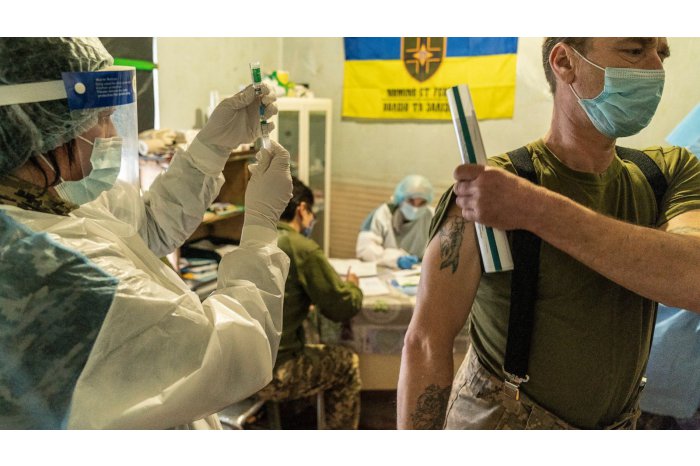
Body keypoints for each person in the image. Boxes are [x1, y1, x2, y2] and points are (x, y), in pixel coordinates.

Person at [397, 37, 700, 430]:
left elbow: (693, 277)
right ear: (565, 62)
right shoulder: (489, 192)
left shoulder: (666, 174)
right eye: (634, 51)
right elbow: (426, 341)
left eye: (662, 54)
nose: (656, 69)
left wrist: (534, 209)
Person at [0, 37, 293, 429]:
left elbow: (148, 227)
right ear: (39, 125)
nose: (111, 133)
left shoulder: (48, 197)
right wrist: (259, 228)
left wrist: (213, 145)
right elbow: (232, 353)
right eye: (101, 117)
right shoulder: (51, 268)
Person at [255, 176, 363, 429]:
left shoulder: (253, 240)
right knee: (347, 364)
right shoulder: (301, 248)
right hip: (275, 373)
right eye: (312, 212)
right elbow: (341, 307)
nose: (312, 219)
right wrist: (353, 287)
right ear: (302, 209)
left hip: (238, 369)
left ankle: (294, 415)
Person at [356, 174, 434, 269]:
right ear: (400, 199)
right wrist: (396, 259)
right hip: (385, 270)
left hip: (418, 272)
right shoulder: (384, 213)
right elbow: (365, 248)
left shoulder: (432, 216)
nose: (415, 208)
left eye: (422, 203)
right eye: (411, 201)